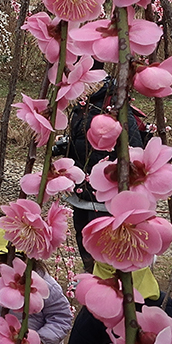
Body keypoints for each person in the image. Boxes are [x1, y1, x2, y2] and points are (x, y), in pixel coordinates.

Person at [59, 75, 149, 271]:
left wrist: (111, 173)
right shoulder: (80, 109)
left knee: (103, 242)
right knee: (84, 237)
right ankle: (91, 277)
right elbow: (80, 144)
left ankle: (108, 281)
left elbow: (135, 151)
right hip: (82, 192)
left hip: (106, 196)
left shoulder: (116, 110)